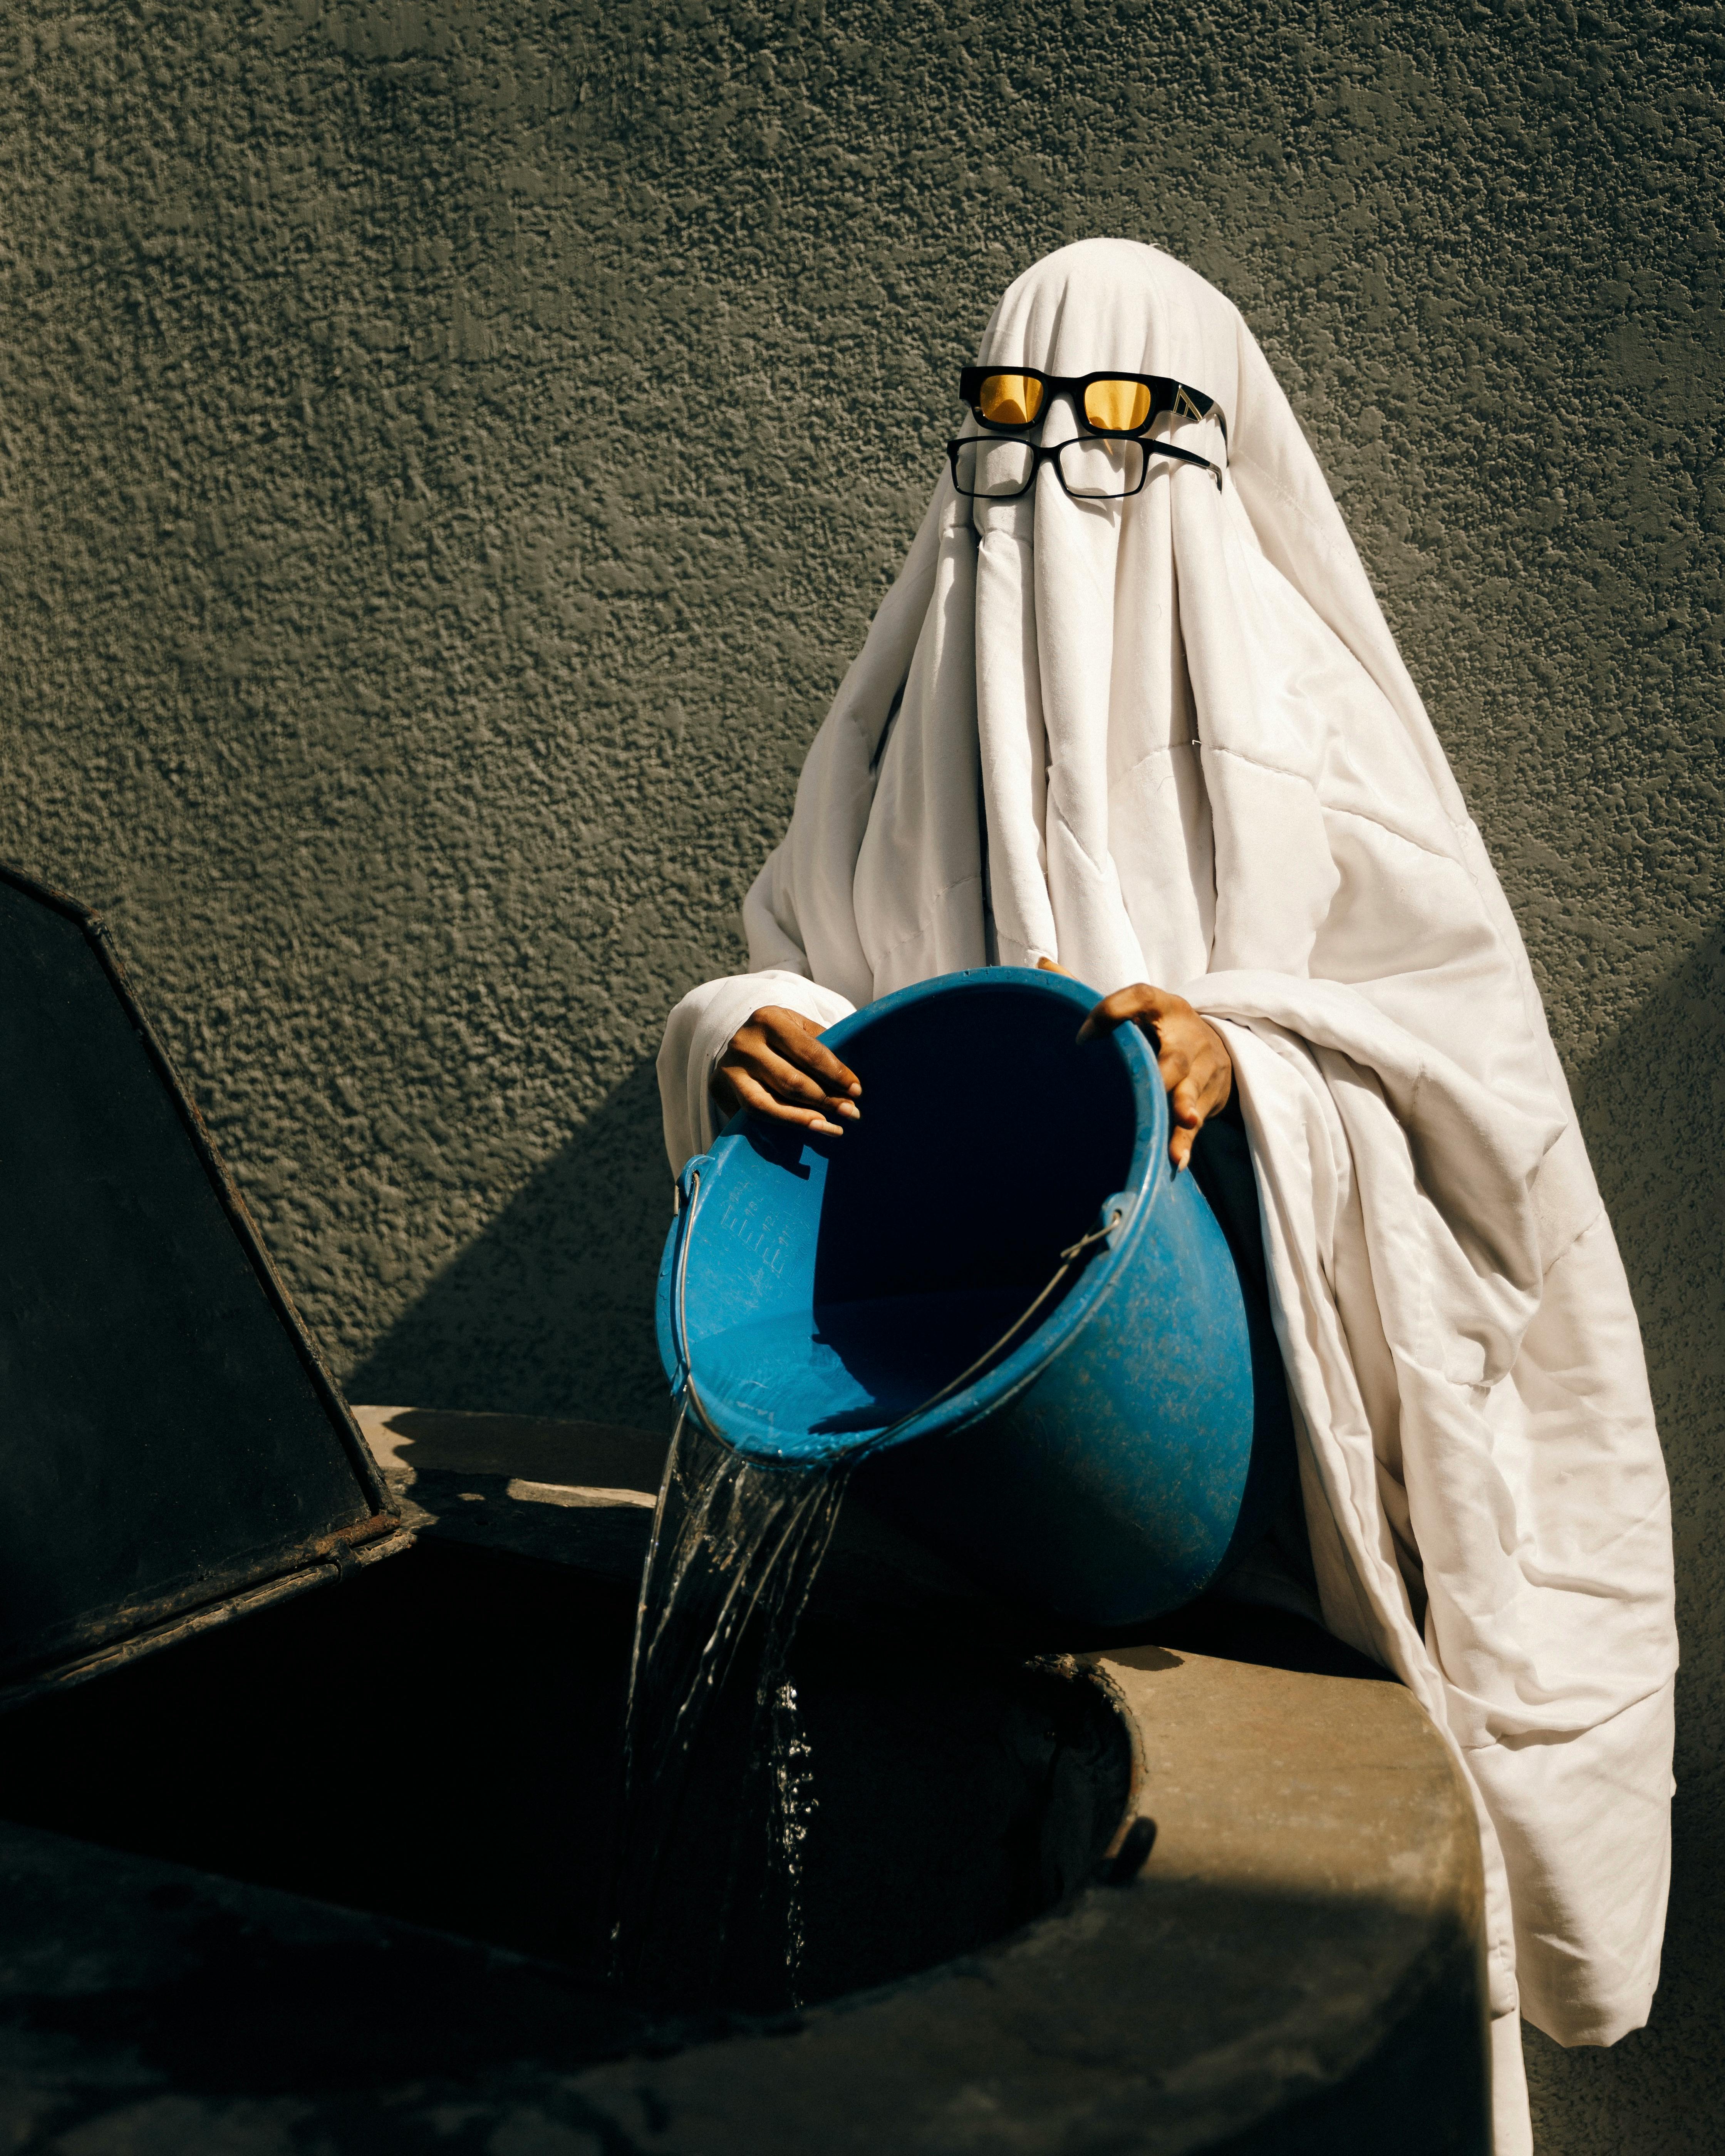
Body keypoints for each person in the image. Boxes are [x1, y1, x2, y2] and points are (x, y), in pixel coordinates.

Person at [656, 239, 1675, 2154]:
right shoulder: (899, 718)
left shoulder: (1306, 713)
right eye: (1005, 417)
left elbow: (1474, 1084)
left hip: (1282, 1510)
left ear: (1211, 439)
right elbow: (809, 956)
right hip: (977, 1491)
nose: (1050, 471)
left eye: (1117, 424)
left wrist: (1249, 1062)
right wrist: (737, 1027)